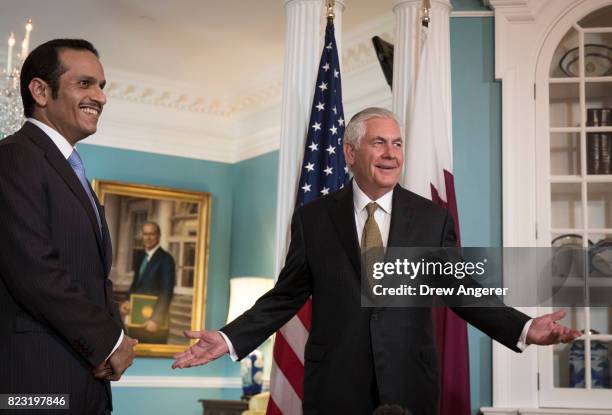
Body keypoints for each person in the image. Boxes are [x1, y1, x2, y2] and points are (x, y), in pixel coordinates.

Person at [172, 108, 580, 414]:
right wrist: (228, 338)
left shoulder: (432, 219)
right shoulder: (314, 219)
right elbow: (285, 296)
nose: (391, 154)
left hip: (408, 382)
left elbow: (462, 291)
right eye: (379, 142)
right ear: (350, 152)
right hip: (334, 386)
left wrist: (524, 327)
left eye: (398, 143)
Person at [0, 39, 137, 414]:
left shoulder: (70, 170)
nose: (101, 97)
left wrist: (117, 340)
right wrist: (110, 343)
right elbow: (34, 271)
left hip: (87, 379)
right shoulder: (13, 157)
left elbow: (94, 276)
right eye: (85, 84)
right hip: (35, 385)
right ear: (41, 91)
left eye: (102, 86)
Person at [120, 221, 175, 344]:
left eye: (152, 234)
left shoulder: (166, 259)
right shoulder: (141, 257)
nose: (148, 237)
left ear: (158, 236)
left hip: (153, 325)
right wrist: (128, 300)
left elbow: (166, 292)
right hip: (137, 319)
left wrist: (156, 319)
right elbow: (136, 285)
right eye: (145, 234)